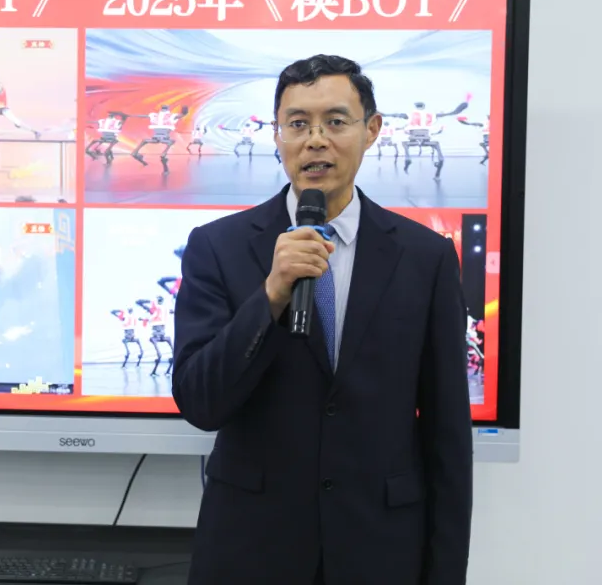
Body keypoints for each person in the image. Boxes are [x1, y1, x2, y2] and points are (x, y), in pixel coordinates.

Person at [172, 54, 473, 585]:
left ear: (371, 130)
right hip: (251, 548)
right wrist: (270, 295)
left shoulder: (425, 257)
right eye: (298, 124)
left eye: (335, 121)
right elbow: (200, 402)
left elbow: (447, 431)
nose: (315, 141)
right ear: (277, 135)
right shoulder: (217, 247)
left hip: (381, 547)